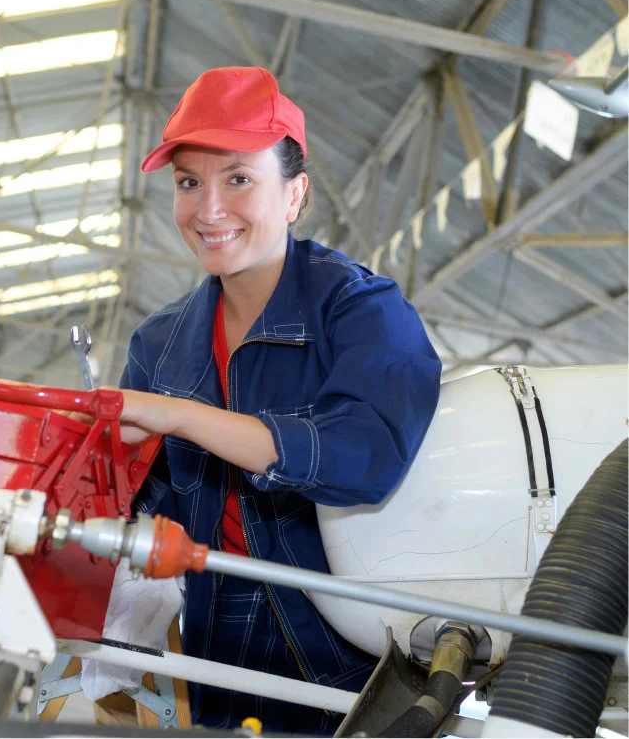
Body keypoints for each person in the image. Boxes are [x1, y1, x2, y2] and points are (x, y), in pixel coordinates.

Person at [115, 66, 442, 734]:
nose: (209, 209)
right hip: (217, 656)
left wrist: (181, 415)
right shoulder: (160, 343)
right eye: (188, 182)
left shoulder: (361, 311)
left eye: (238, 178)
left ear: (295, 194)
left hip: (355, 656)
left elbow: (366, 455)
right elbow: (141, 507)